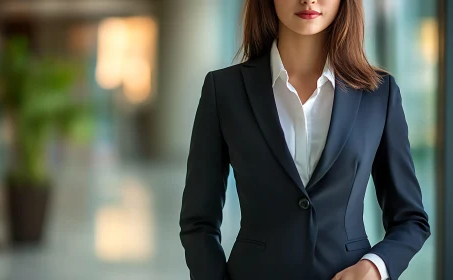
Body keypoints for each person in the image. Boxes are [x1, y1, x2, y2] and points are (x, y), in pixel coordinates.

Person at [178, 0, 431, 279]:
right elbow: (198, 222)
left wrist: (375, 267)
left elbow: (410, 219)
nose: (308, 0)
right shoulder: (224, 91)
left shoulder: (378, 94)